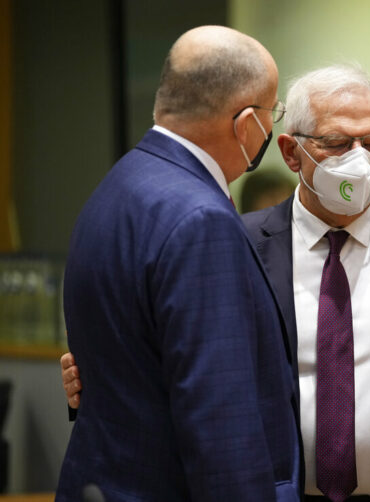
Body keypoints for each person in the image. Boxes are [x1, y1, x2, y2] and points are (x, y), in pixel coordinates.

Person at [62, 64, 370, 501]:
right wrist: (99, 377)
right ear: (292, 152)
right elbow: (193, 368)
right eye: (337, 143)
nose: (359, 159)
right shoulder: (235, 240)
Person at [56, 26, 302, 502]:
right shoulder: (202, 219)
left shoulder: (119, 183)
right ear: (247, 121)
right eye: (274, 113)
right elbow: (219, 421)